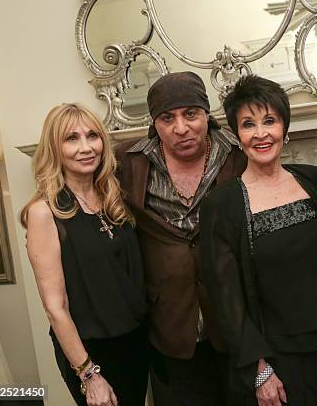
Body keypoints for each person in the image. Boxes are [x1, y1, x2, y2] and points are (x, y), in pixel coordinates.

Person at [200, 74, 317, 406]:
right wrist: (259, 369)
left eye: (270, 121)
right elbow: (227, 299)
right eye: (249, 124)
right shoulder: (223, 205)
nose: (261, 133)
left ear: (285, 126)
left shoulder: (312, 178)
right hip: (278, 362)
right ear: (238, 136)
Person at [115, 71, 246, 405]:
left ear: (207, 114)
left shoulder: (238, 153)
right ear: (154, 124)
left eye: (191, 114)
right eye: (167, 118)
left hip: (235, 323)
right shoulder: (128, 163)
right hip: (169, 329)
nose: (181, 128)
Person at [21, 103, 148, 405]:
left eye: (92, 135)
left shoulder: (113, 198)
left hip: (134, 341)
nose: (86, 147)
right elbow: (55, 307)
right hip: (91, 353)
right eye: (71, 139)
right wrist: (89, 375)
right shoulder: (44, 212)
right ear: (54, 148)